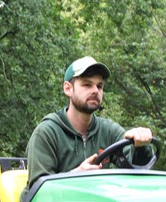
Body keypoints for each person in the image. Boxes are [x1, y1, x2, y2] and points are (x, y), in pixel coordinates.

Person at [24, 56, 154, 193]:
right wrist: (74, 177)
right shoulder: (47, 132)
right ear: (68, 89)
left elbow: (137, 172)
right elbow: (38, 192)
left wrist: (140, 146)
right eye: (87, 85)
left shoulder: (108, 130)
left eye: (99, 86)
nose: (95, 91)